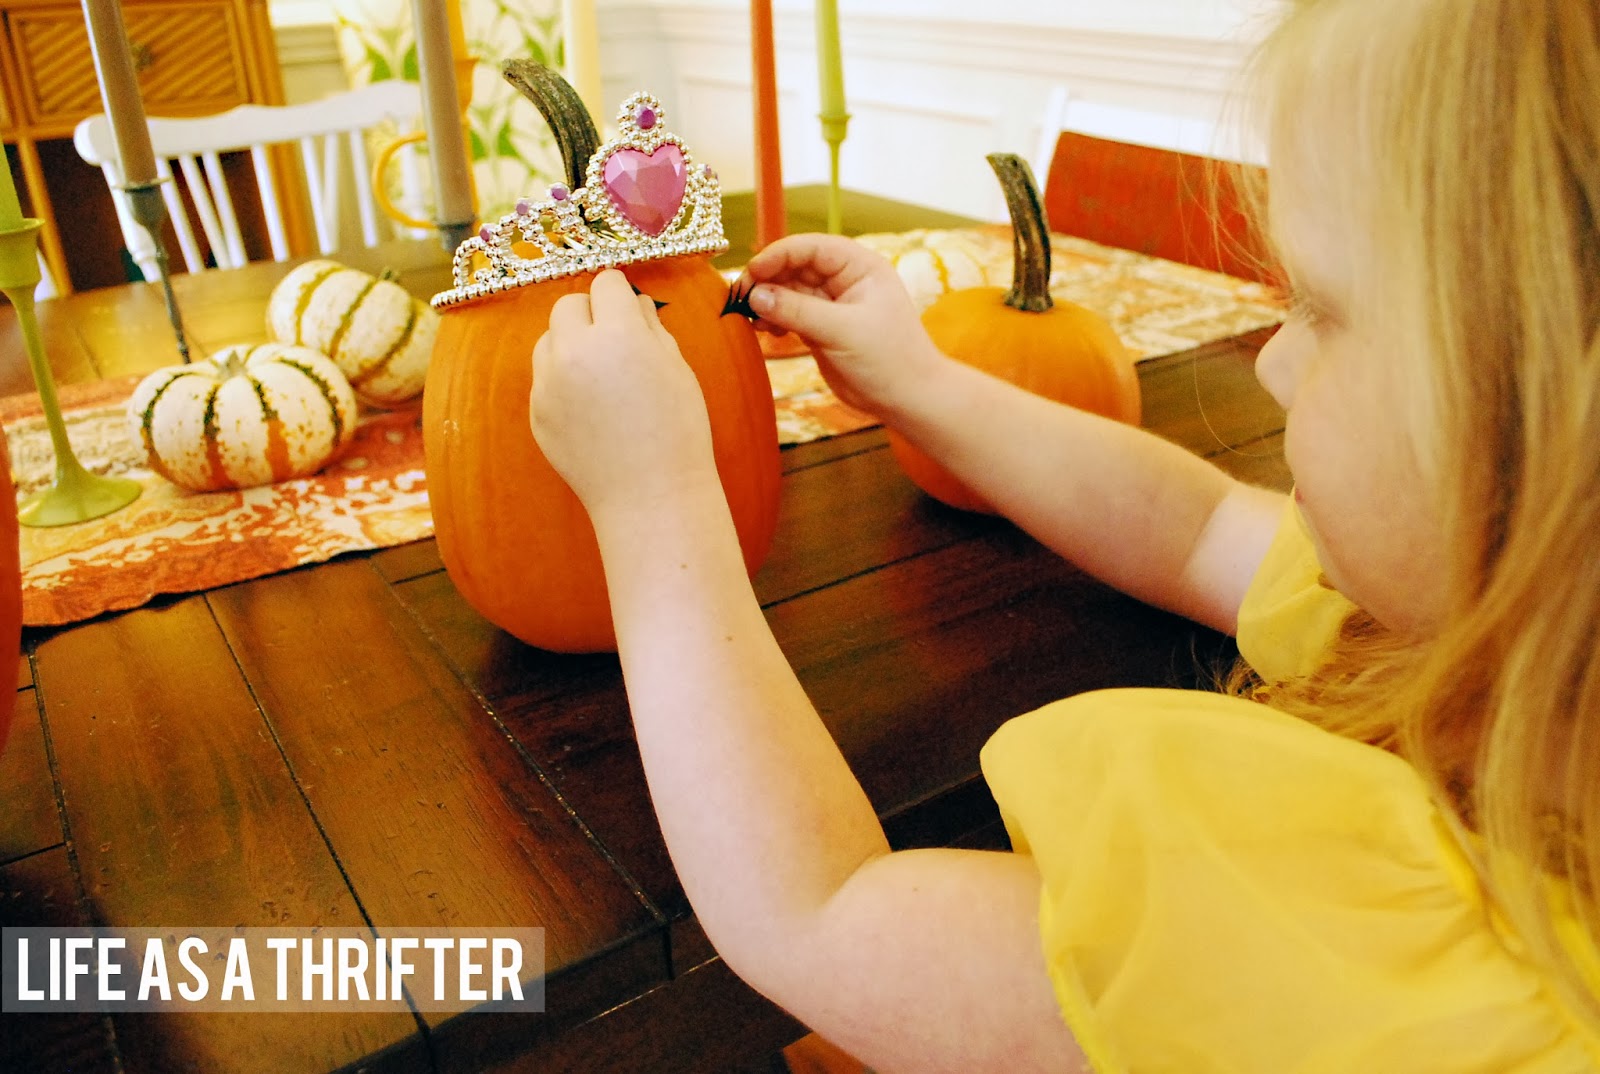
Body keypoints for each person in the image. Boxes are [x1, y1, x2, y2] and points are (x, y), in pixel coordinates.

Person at [525, 0, 1600, 1068]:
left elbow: (818, 912)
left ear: (1550, 445)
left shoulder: (1398, 969)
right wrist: (923, 386)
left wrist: (652, 496)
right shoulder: (1483, 637)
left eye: (1322, 310)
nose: (1271, 361)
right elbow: (1196, 526)